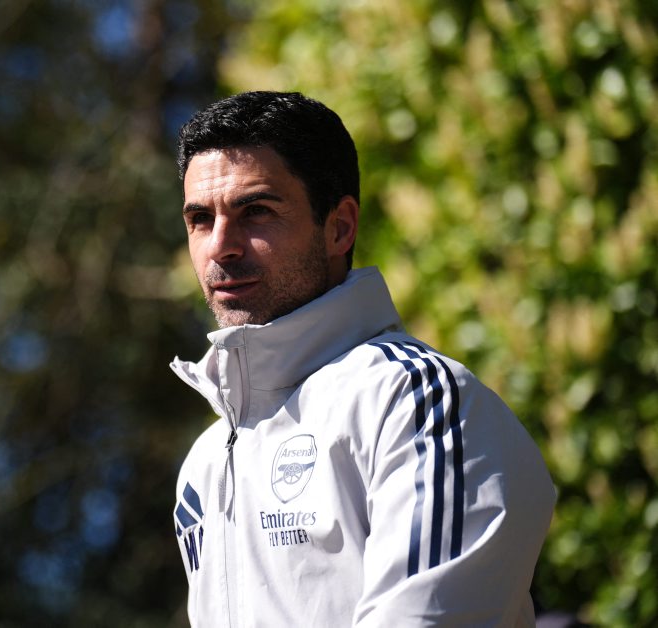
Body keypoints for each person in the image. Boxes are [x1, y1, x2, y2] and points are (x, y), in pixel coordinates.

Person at [170, 91, 556, 626]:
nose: (221, 246)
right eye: (200, 219)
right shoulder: (206, 462)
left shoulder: (419, 403)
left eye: (255, 211)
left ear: (340, 227)